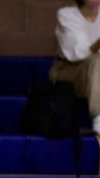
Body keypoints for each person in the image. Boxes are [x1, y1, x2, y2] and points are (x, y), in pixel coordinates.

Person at [50, 0, 100, 141]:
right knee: (97, 60)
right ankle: (99, 119)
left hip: (95, 75)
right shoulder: (67, 15)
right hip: (70, 72)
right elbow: (78, 53)